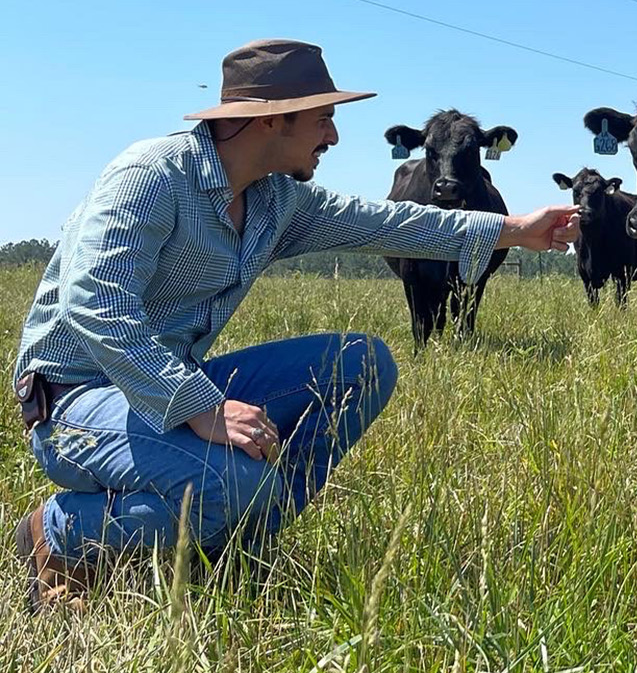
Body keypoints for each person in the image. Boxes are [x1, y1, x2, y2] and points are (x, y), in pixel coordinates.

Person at [11, 39, 580, 610]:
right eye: (324, 118)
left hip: (168, 391)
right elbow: (95, 305)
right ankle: (56, 531)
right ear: (272, 120)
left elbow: (386, 223)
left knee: (360, 364)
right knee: (233, 483)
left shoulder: (277, 201)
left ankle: (236, 542)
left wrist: (516, 229)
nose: (332, 136)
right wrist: (198, 406)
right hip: (74, 402)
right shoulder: (151, 175)